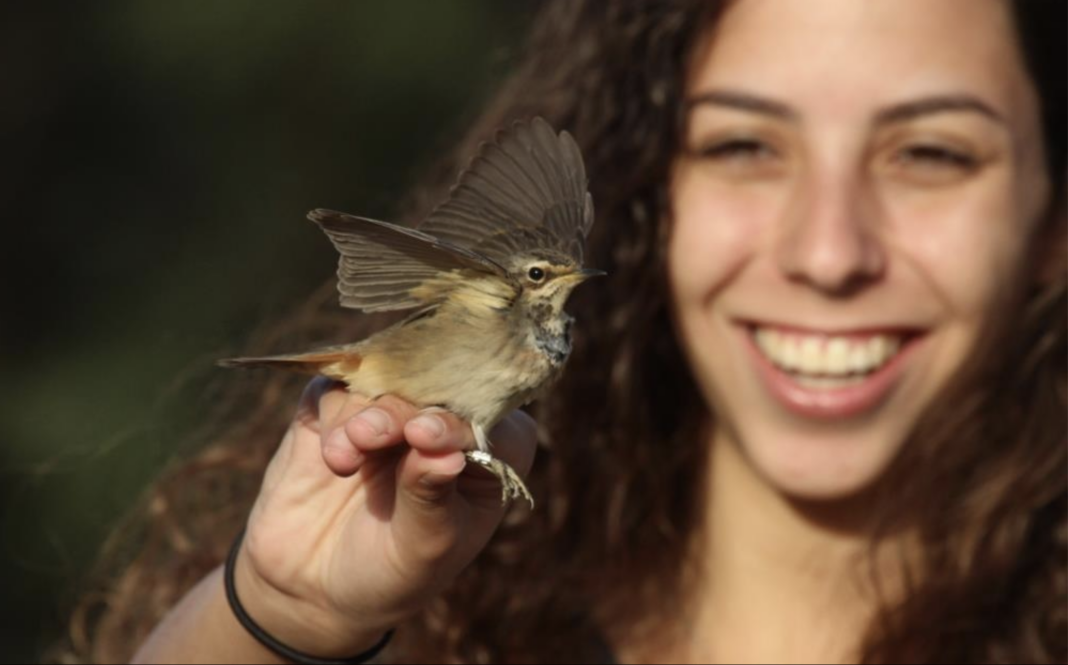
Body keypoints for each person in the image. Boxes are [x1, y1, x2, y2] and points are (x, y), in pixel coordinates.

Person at [69, 0, 1065, 662]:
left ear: (1054, 217)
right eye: (744, 144)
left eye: (932, 151)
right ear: (651, 192)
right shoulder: (457, 615)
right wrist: (286, 618)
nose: (829, 250)